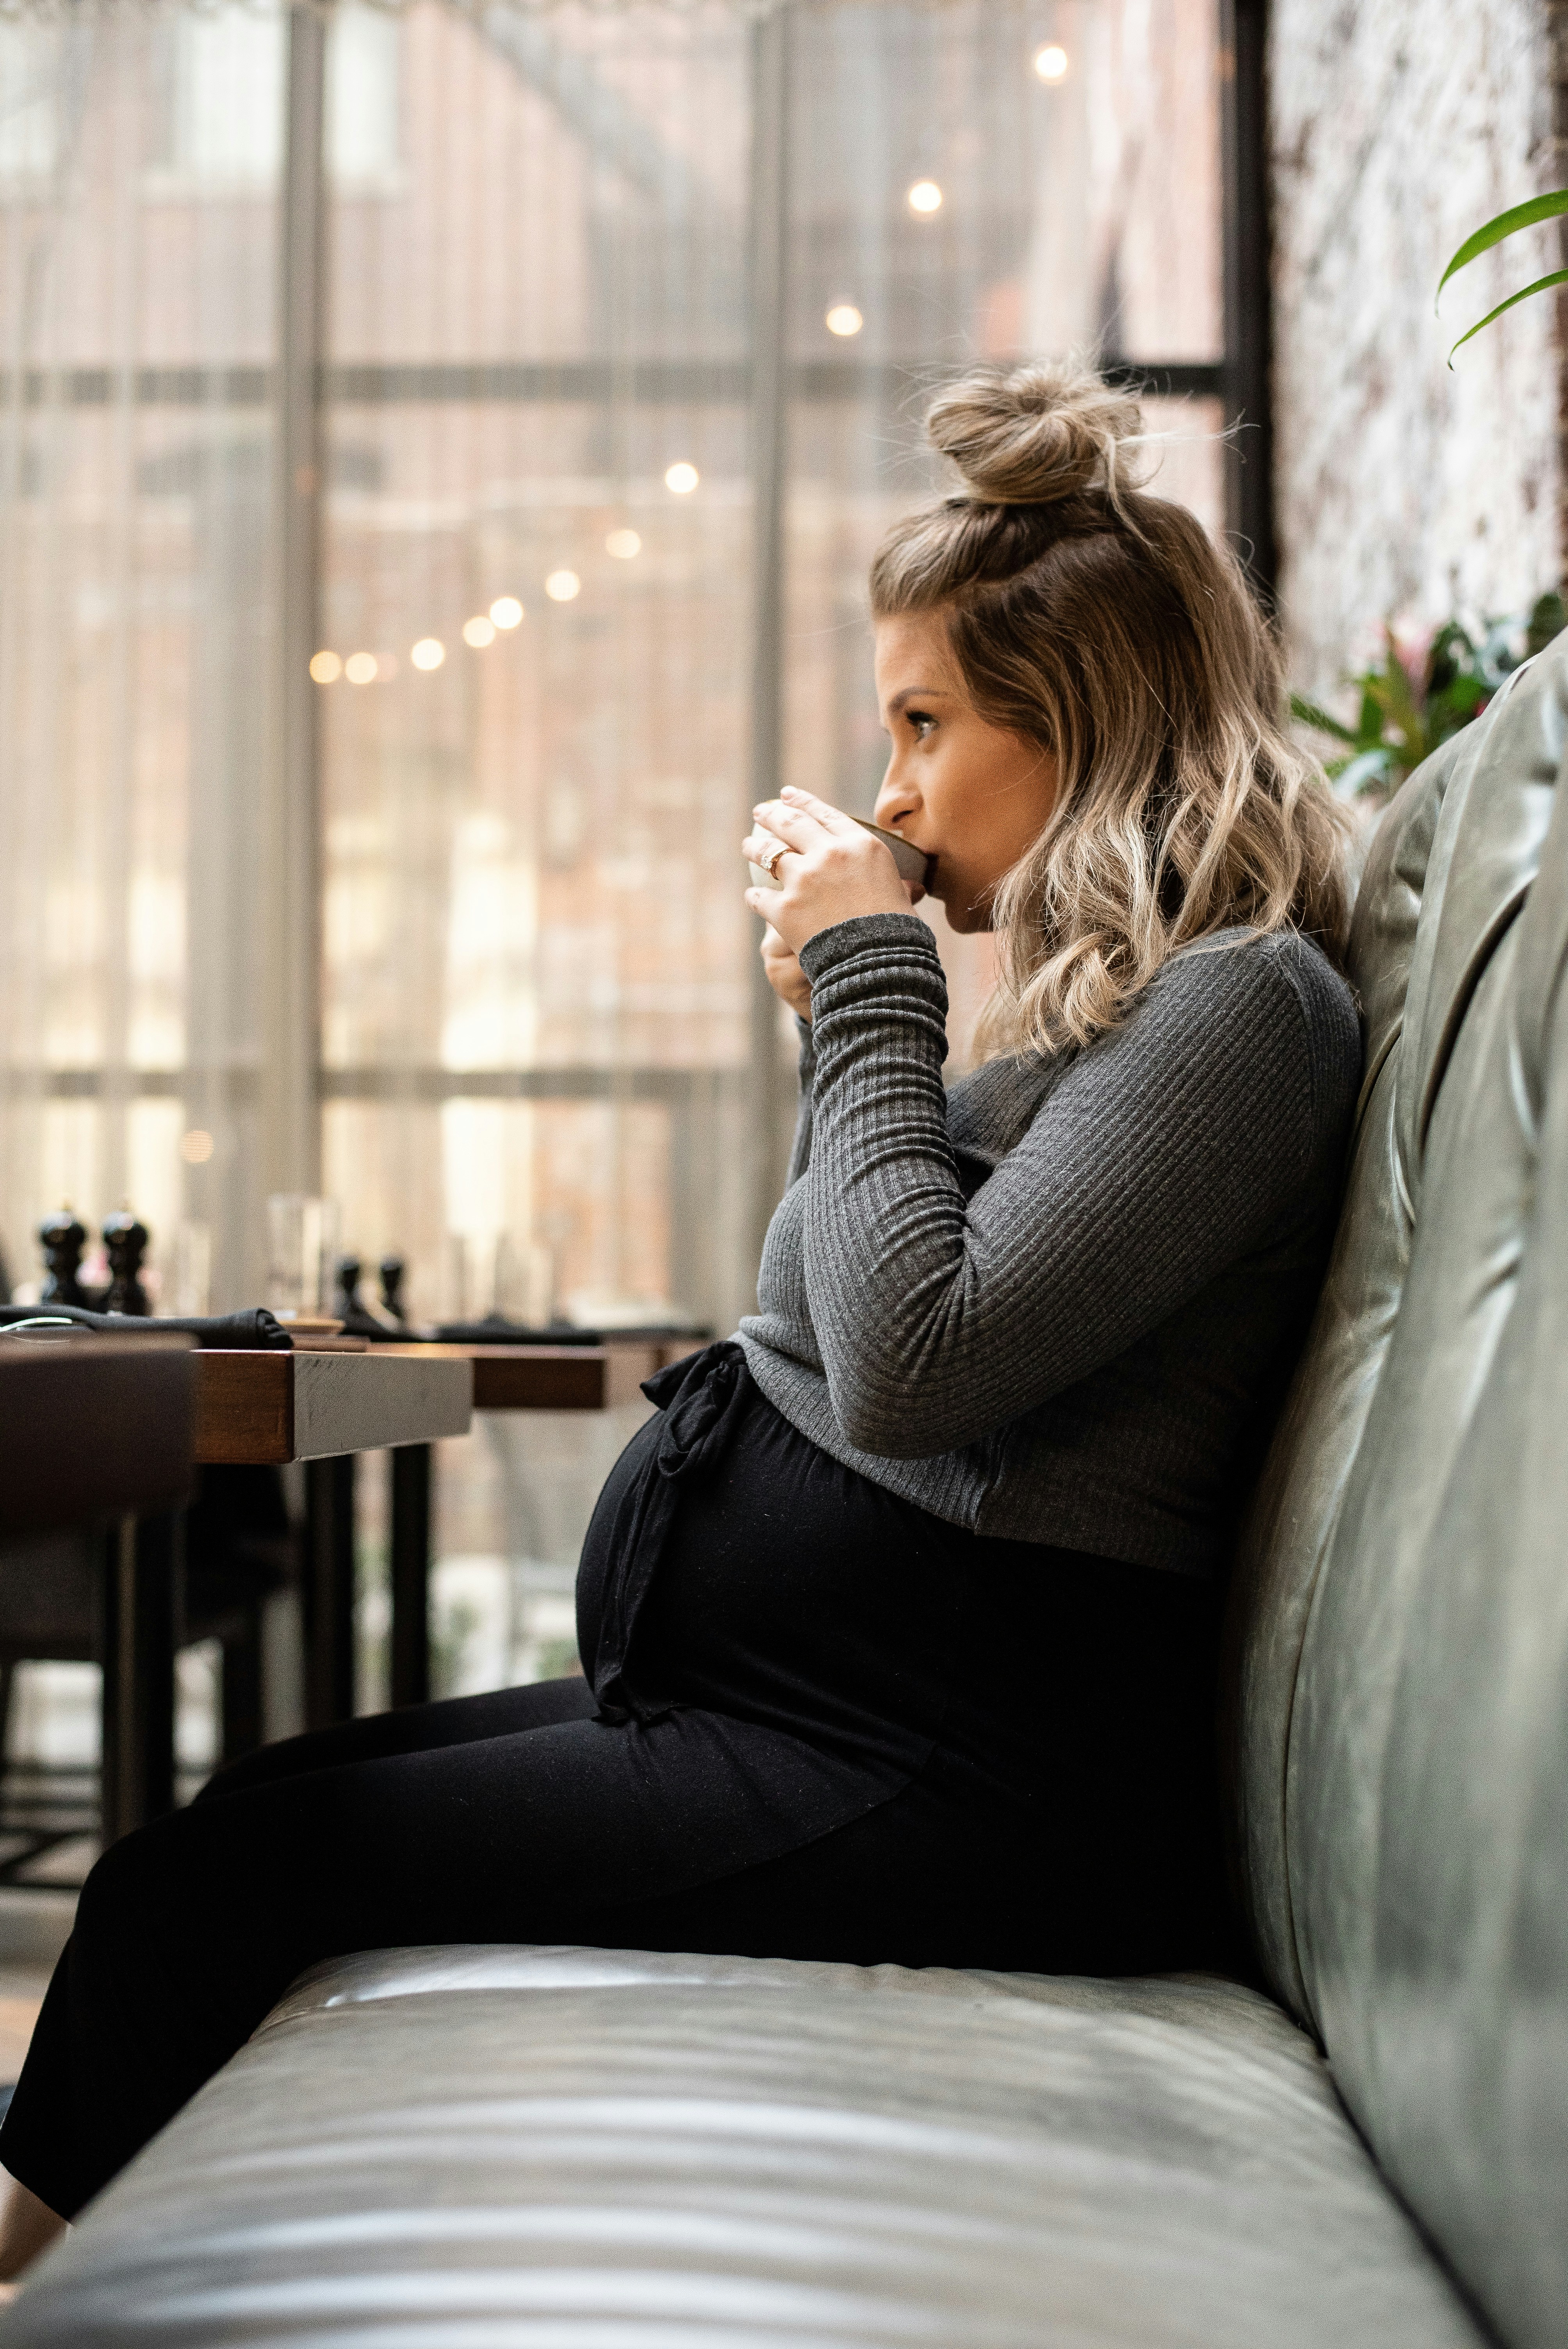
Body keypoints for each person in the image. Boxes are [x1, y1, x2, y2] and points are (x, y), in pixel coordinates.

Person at [0, 361, 1360, 2269]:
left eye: (923, 724)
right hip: (822, 1716)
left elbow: (910, 1358)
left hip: (945, 1770)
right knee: (242, 1816)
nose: (887, 789)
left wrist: (874, 980)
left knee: (212, 1882)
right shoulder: (1095, 1026)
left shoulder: (1244, 1009)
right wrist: (857, 1023)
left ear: (1084, 728)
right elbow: (833, 1302)